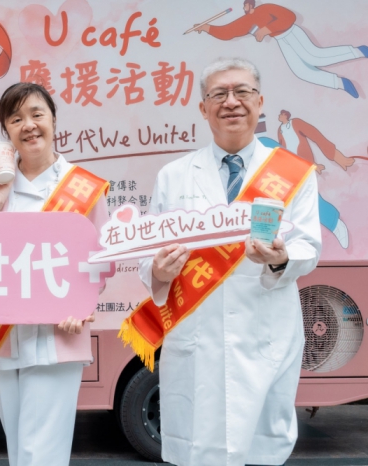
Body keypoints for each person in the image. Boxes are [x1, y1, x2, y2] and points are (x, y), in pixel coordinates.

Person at [139, 58, 321, 465]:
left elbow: (309, 245)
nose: (231, 102)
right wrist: (157, 271)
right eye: (219, 94)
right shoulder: (174, 175)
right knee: (198, 448)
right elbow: (149, 252)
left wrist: (281, 258)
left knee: (260, 449)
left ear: (260, 102)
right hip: (197, 338)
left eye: (242, 92)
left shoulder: (294, 174)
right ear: (204, 108)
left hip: (265, 332)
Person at [0, 82, 109, 465]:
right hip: (2, 336)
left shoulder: (84, 187)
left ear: (53, 119)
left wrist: (81, 304)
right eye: (16, 119)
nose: (28, 125)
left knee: (40, 454)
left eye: (36, 114)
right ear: (6, 130)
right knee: (19, 451)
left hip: (58, 337)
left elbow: (101, 261)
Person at [193, 0, 367, 98]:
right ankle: (340, 83)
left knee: (315, 57)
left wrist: (266, 29)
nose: (244, 9)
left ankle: (359, 51)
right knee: (301, 71)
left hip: (291, 32)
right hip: (282, 39)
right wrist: (207, 28)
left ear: (251, 5)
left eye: (246, 6)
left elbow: (288, 16)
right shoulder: (247, 21)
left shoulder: (265, 8)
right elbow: (229, 31)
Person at [277, 110, 352, 248]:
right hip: (289, 168)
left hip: (304, 165)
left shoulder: (296, 123)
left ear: (285, 115)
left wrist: (335, 156)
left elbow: (316, 136)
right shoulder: (280, 130)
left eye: (281, 114)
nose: (279, 116)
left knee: (307, 195)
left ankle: (334, 223)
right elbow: (282, 151)